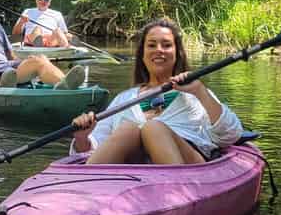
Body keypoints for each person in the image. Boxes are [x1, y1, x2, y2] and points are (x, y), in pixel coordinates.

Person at [71, 18, 243, 164]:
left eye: (166, 45)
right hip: (134, 178)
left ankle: (177, 192)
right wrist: (82, 137)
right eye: (151, 45)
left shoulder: (194, 93)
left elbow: (230, 135)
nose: (158, 50)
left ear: (177, 53)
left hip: (189, 168)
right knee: (128, 130)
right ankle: (82, 191)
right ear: (143, 54)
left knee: (153, 128)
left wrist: (200, 91)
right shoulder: (124, 99)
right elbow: (91, 149)